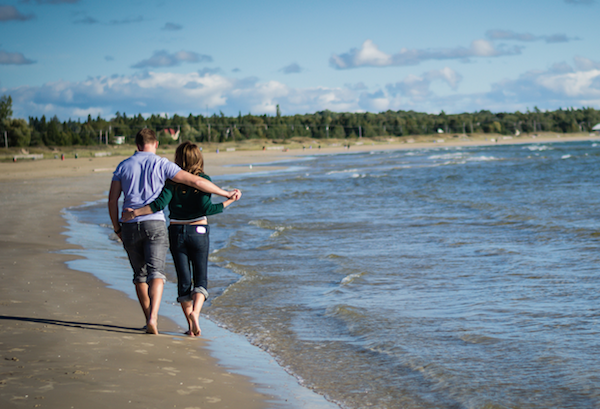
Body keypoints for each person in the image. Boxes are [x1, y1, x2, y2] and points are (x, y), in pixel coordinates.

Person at [108, 129, 237, 335]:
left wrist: (122, 223)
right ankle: (176, 315)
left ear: (137, 144)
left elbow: (121, 200)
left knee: (147, 277)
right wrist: (227, 196)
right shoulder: (166, 166)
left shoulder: (126, 167)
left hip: (153, 227)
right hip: (177, 228)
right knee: (172, 275)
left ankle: (160, 318)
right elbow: (200, 192)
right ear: (156, 143)